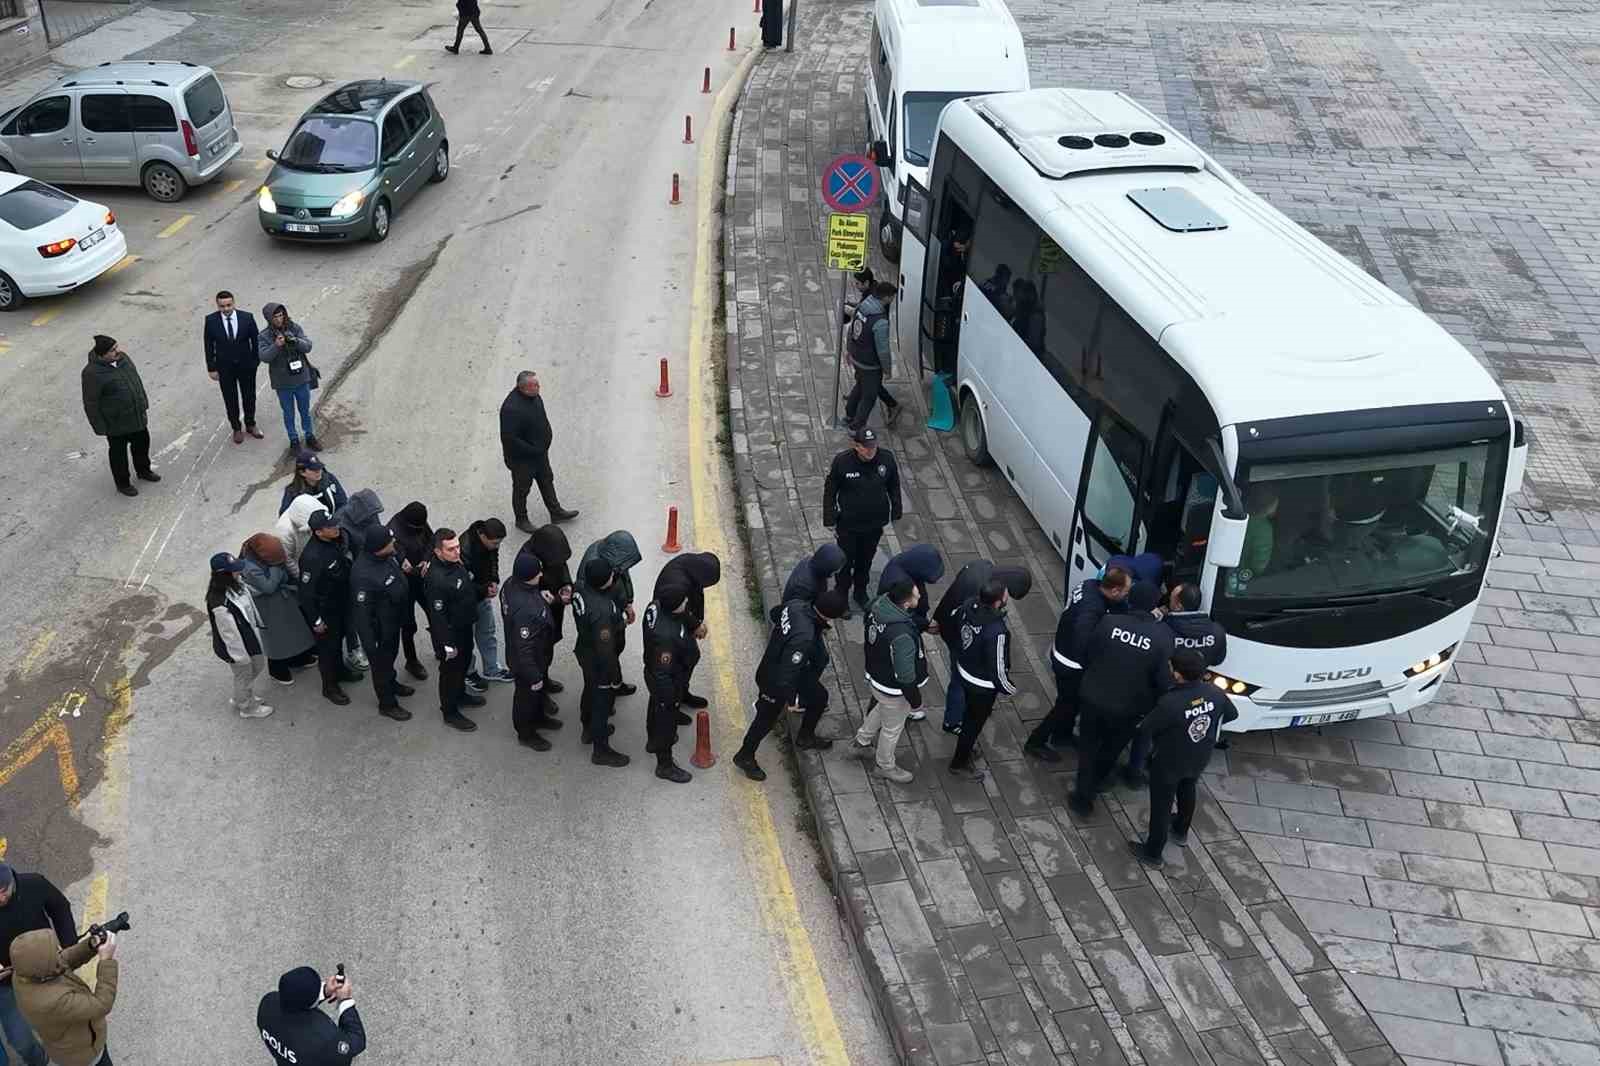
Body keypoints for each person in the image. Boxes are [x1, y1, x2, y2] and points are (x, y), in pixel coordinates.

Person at [1067, 582, 1173, 816]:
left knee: (1088, 747)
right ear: (1154, 605)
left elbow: (1089, 652)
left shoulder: (1109, 622)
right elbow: (1162, 679)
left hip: (1094, 697)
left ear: (1130, 600)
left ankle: (1083, 796)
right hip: (1129, 708)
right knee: (1112, 748)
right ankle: (1098, 781)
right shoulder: (1162, 637)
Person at [1130, 651, 1238, 868]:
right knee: (1188, 787)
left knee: (1161, 806)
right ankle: (1180, 830)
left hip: (1169, 761)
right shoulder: (1215, 692)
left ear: (1178, 675)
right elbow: (1231, 714)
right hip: (1199, 755)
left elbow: (1146, 729)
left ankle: (1153, 853)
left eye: (1171, 667)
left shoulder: (1171, 702)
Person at [733, 589, 849, 780]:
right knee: (765, 719)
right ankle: (744, 755)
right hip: (775, 680)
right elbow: (787, 673)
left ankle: (805, 737)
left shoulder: (796, 604)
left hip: (782, 665)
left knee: (819, 697)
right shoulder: (804, 637)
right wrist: (792, 698)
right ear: (830, 616)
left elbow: (774, 614)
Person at [1023, 566, 1131, 761]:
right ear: (1114, 590)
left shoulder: (1090, 585)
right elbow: (1083, 642)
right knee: (1066, 704)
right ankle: (1036, 741)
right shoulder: (1091, 611)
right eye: (1125, 592)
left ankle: (1062, 735)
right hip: (1071, 663)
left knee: (1072, 703)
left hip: (1062, 651)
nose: (1126, 596)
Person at [845, 580, 927, 783]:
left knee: (882, 709)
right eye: (917, 596)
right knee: (892, 729)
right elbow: (906, 677)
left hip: (876, 676)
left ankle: (861, 742)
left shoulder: (877, 605)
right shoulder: (902, 636)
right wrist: (915, 701)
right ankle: (885, 766)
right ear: (906, 603)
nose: (920, 597)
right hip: (893, 688)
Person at [0, 863, 76, 1066]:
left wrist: (69, 947)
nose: (0, 899)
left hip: (46, 970)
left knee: (64, 1018)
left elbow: (60, 907)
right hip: (7, 984)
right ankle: (39, 1061)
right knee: (20, 1041)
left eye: (3, 891)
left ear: (12, 881)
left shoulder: (34, 883)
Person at [9, 924, 116, 1066]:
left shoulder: (24, 974)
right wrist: (106, 961)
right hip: (85, 1057)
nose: (60, 950)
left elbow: (62, 960)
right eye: (55, 950)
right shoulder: (52, 1001)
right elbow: (102, 1004)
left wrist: (91, 944)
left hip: (69, 1046)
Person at [822, 428, 902, 612]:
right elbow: (830, 489)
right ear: (856, 446)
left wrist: (896, 511)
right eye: (866, 447)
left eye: (873, 446)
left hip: (874, 525)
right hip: (848, 526)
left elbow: (894, 486)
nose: (870, 450)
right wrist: (829, 518)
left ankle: (860, 592)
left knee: (865, 561)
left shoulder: (886, 460)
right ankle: (841, 597)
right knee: (844, 563)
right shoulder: (843, 462)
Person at [950, 579, 1016, 781]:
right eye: (1005, 593)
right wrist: (1008, 688)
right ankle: (959, 763)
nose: (1007, 595)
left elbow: (953, 620)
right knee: (973, 724)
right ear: (997, 601)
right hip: (983, 686)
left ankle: (965, 749)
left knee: (970, 714)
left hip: (965, 671)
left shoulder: (968, 606)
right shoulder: (997, 631)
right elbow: (997, 667)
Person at [349, 525, 417, 722]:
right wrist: (371, 646)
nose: (393, 543)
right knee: (380, 666)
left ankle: (392, 683)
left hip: (392, 622)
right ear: (379, 547)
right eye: (390, 542)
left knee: (390, 660)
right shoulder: (363, 575)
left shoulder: (385, 556)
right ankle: (387, 704)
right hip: (379, 630)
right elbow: (361, 615)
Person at [298, 510, 364, 707]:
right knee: (328, 650)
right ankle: (330, 686)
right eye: (331, 526)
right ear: (318, 532)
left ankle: (341, 671)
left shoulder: (334, 540)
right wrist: (316, 620)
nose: (336, 528)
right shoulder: (312, 557)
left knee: (340, 641)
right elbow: (306, 594)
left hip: (342, 603)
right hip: (326, 611)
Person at [422, 528, 485, 733]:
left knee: (465, 662)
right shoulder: (437, 579)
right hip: (451, 633)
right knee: (450, 672)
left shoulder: (454, 563)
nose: (457, 552)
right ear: (438, 552)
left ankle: (460, 695)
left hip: (464, 625)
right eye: (451, 549)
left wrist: (483, 591)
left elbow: (465, 587)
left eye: (457, 547)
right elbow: (438, 616)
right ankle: (449, 711)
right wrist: (447, 645)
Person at [499, 371, 578, 534]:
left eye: (537, 384)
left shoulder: (534, 397)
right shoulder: (511, 408)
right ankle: (521, 519)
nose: (538, 387)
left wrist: (546, 437)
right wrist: (533, 450)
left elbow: (542, 418)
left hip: (540, 454)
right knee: (522, 489)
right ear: (523, 387)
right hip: (522, 459)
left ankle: (556, 512)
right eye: (535, 385)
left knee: (547, 481)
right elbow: (509, 439)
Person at [81, 335, 159, 499]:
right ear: (102, 355)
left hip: (136, 416)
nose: (118, 351)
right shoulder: (91, 373)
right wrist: (100, 427)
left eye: (117, 347)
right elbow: (91, 403)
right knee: (118, 455)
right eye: (113, 350)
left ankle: (143, 471)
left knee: (142, 444)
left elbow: (136, 380)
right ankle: (123, 483)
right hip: (115, 424)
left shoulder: (124, 359)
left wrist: (143, 402)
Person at [500, 553, 562, 751]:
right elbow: (523, 647)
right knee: (525, 697)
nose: (541, 574)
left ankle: (539, 718)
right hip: (528, 662)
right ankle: (526, 733)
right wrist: (534, 675)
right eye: (538, 572)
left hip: (536, 656)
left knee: (536, 695)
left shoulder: (511, 584)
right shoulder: (526, 609)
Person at [572, 558, 628, 766]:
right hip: (598, 660)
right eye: (611, 576)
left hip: (584, 650)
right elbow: (606, 651)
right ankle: (601, 749)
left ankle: (587, 730)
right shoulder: (602, 611)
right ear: (604, 582)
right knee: (601, 704)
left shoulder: (580, 587)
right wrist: (614, 677)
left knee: (589, 690)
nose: (614, 577)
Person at [239, 534, 316, 684]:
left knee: (294, 632)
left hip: (282, 602)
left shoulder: (264, 558)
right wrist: (277, 568)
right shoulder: (249, 567)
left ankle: (296, 658)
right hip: (269, 609)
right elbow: (268, 587)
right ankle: (277, 669)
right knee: (277, 640)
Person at [207, 552, 274, 719]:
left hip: (248, 636)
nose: (239, 572)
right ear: (224, 575)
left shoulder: (235, 584)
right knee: (245, 674)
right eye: (234, 570)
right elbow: (229, 635)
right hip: (237, 647)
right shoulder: (219, 603)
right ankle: (247, 707)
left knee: (254, 668)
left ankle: (241, 696)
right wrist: (240, 658)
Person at [651, 551, 721, 710]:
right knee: (678, 665)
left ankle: (682, 693)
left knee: (691, 657)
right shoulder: (677, 584)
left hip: (681, 622)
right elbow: (677, 607)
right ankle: (673, 705)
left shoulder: (691, 568)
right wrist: (695, 625)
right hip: (674, 625)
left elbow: (694, 596)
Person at [577, 531, 644, 695]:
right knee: (605, 655)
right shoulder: (591, 570)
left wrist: (628, 602)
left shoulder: (616, 560)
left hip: (615, 612)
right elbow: (590, 610)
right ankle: (605, 692)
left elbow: (625, 576)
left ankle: (616, 682)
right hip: (603, 623)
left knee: (615, 649)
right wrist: (613, 619)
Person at [641, 582, 695, 782]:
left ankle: (652, 741)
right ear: (674, 605)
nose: (687, 601)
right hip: (666, 682)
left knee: (655, 706)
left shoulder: (655, 606)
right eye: (683, 600)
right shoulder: (666, 637)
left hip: (654, 674)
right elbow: (664, 672)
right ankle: (664, 765)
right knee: (666, 721)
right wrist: (671, 698)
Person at [258, 965, 365, 1065]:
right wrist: (345, 1001)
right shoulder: (325, 1040)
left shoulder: (267, 1004)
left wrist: (324, 991)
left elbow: (293, 1000)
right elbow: (356, 1042)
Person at [519, 524, 573, 694]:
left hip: (554, 607)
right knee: (538, 654)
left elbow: (562, 567)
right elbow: (524, 592)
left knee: (547, 649)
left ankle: (545, 678)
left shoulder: (552, 551)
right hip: (538, 616)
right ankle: (540, 692)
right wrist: (546, 598)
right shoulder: (526, 560)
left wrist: (567, 585)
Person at [257, 302, 318, 453]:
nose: (279, 319)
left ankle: (310, 436)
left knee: (305, 410)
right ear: (269, 318)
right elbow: (264, 357)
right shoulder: (264, 336)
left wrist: (296, 340)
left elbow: (308, 346)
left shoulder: (294, 327)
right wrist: (276, 345)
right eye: (275, 317)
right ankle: (294, 440)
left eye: (280, 315)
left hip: (301, 378)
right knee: (288, 413)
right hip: (283, 382)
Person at [203, 290, 262, 444]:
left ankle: (250, 424)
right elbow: (208, 345)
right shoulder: (211, 321)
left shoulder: (247, 318)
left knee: (249, 396)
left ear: (234, 303)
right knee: (230, 399)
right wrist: (211, 368)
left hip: (246, 366)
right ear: (218, 306)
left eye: (229, 305)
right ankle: (236, 427)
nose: (226, 309)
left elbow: (255, 341)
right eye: (222, 306)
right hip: (225, 368)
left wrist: (256, 361)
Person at [461, 518, 512, 688]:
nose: (497, 546)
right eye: (495, 543)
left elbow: (493, 559)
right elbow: (462, 583)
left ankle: (492, 669)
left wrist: (493, 580)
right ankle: (467, 672)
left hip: (481, 596)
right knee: (466, 640)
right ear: (482, 535)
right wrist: (484, 590)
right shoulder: (463, 548)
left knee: (487, 633)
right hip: (465, 602)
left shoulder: (490, 543)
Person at [843, 282, 901, 432]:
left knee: (862, 384)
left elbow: (851, 329)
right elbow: (883, 350)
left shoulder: (862, 306)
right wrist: (887, 370)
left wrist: (849, 349)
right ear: (887, 298)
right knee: (869, 396)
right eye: (893, 297)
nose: (893, 299)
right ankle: (856, 426)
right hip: (870, 363)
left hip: (857, 355)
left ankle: (849, 414)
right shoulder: (880, 321)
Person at [387, 502, 433, 681]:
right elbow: (392, 553)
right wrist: (401, 560)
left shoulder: (419, 521)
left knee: (434, 613)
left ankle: (440, 647)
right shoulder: (394, 529)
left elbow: (431, 539)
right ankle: (411, 660)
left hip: (421, 578)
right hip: (403, 584)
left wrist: (427, 560)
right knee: (408, 625)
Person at [278, 453, 348, 517]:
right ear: (302, 472)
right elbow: (285, 516)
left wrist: (331, 522)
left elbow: (343, 503)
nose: (318, 472)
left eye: (319, 468)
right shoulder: (292, 492)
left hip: (333, 524)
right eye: (313, 470)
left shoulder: (329, 479)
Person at [780, 544, 846, 604]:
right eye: (835, 570)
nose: (837, 572)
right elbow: (800, 609)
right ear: (826, 569)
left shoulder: (812, 562)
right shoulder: (805, 587)